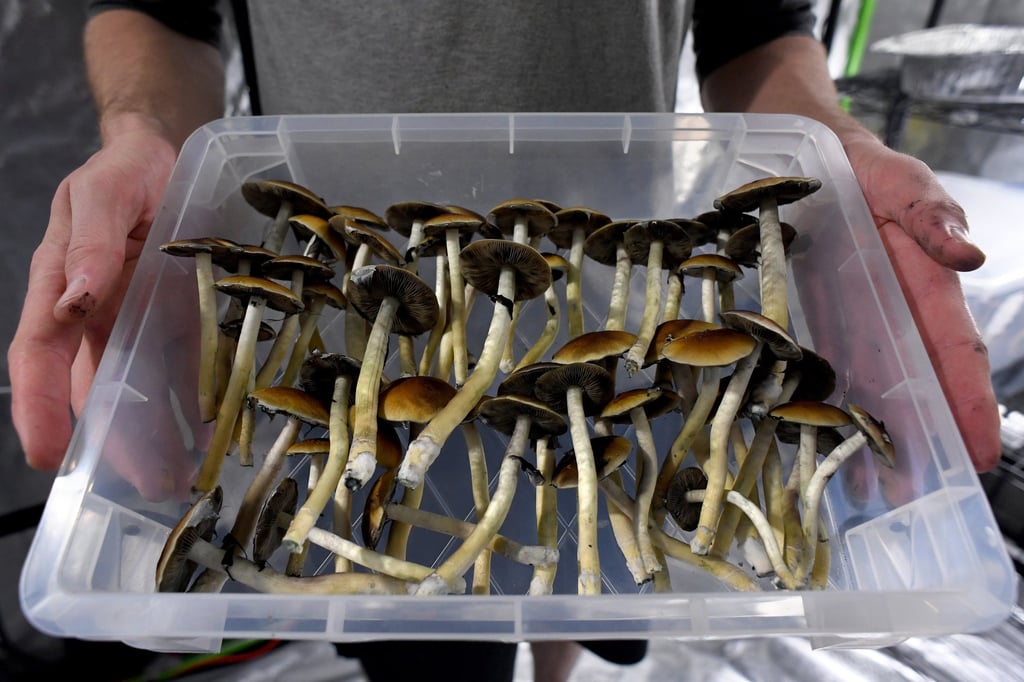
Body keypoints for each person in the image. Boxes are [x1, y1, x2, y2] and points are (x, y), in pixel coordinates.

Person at [8, 1, 1001, 680]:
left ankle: (559, 662)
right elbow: (164, 10)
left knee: (605, 570)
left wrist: (830, 141)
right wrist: (143, 133)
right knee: (432, 634)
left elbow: (754, 27)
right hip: (362, 312)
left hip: (619, 317)